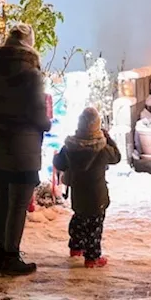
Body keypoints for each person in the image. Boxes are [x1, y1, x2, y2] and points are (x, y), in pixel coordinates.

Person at [0, 23, 51, 276]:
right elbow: (38, 115)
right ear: (29, 43)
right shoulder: (31, 75)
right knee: (18, 204)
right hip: (23, 148)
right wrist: (47, 122)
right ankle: (11, 256)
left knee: (1, 202)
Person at [52, 106, 121, 268]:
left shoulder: (70, 147)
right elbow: (117, 157)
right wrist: (107, 137)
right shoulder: (103, 149)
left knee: (79, 219)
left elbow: (58, 162)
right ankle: (92, 257)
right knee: (94, 227)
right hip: (97, 196)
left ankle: (76, 247)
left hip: (78, 193)